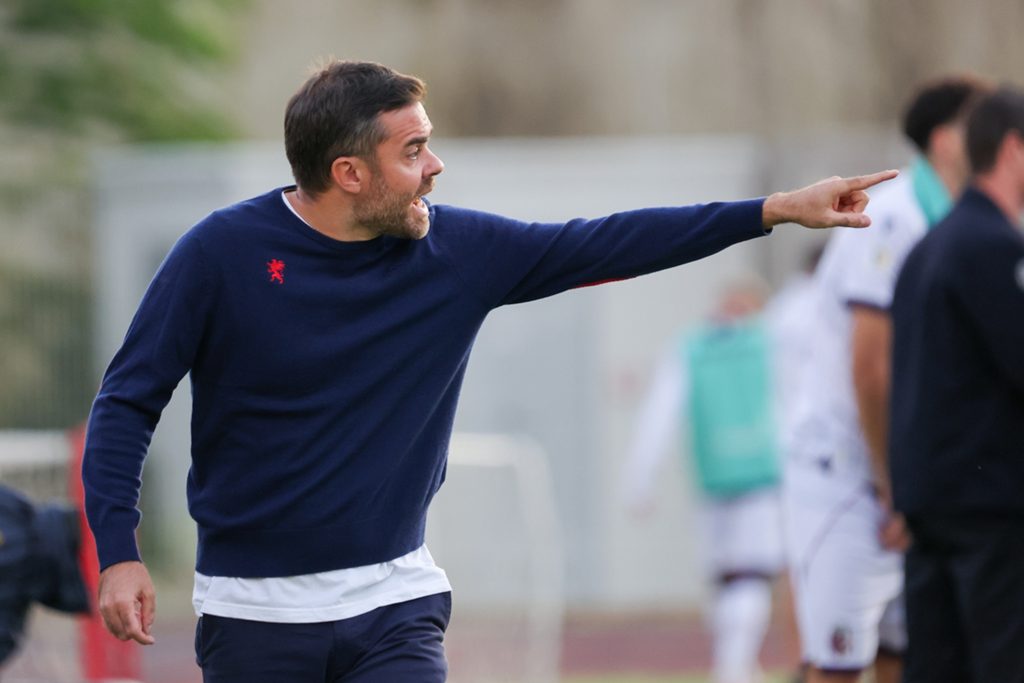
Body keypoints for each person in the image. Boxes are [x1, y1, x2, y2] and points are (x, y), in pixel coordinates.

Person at [81, 59, 896, 683]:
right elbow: (126, 402)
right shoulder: (218, 255)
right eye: (414, 150)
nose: (435, 167)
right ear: (349, 175)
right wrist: (117, 548)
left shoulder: (457, 251)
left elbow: (605, 240)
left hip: (393, 603)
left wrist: (773, 209)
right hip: (252, 614)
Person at [781, 75, 988, 683]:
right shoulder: (893, 221)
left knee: (910, 657)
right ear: (948, 140)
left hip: (908, 481)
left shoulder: (959, 221)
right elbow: (871, 367)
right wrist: (892, 482)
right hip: (849, 476)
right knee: (840, 665)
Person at [889, 86, 1024, 683]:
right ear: (1015, 151)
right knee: (1000, 663)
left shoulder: (928, 247)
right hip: (988, 503)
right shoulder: (992, 246)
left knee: (937, 666)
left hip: (930, 498)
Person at [623, 279, 784, 683]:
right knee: (751, 576)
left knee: (726, 578)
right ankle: (734, 668)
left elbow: (658, 416)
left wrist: (640, 478)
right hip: (762, 474)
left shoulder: (692, 348)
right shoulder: (772, 341)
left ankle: (736, 665)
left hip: (713, 474)